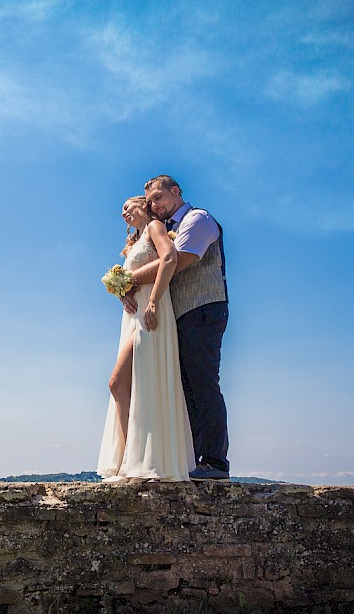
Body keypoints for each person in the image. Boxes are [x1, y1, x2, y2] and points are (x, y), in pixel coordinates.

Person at [121, 175, 230, 480]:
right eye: (151, 200)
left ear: (176, 192)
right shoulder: (167, 229)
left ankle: (215, 461)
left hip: (204, 308)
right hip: (178, 316)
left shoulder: (198, 220)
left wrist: (127, 280)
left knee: (203, 381)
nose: (154, 205)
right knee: (184, 387)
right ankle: (191, 460)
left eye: (158, 197)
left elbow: (178, 261)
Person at [97, 196, 196, 482]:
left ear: (142, 205)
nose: (123, 212)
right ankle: (132, 459)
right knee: (129, 384)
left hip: (150, 313)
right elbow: (132, 280)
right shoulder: (132, 243)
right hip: (132, 315)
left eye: (127, 206)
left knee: (119, 382)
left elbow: (170, 259)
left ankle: (134, 460)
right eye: (121, 209)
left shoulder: (155, 228)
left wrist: (152, 302)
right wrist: (122, 293)